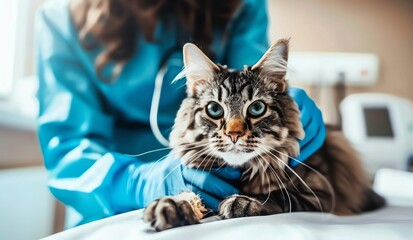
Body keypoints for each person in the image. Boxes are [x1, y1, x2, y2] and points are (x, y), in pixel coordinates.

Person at [36, 0, 326, 228]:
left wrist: (281, 111)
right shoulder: (60, 20)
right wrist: (141, 184)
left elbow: (246, 87)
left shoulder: (242, 4)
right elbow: (67, 151)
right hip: (113, 203)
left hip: (224, 186)